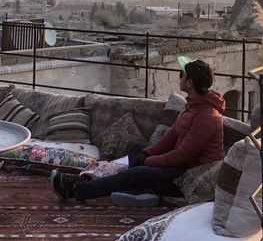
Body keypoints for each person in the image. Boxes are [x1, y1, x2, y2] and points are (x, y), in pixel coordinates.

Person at [49, 59, 225, 208]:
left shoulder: (207, 118)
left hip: (186, 177)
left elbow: (183, 156)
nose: (179, 77)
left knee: (134, 172)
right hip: (178, 165)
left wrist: (149, 161)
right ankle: (136, 191)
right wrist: (147, 153)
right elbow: (171, 136)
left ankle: (74, 189)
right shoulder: (191, 105)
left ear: (189, 83)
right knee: (136, 149)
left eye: (182, 74)